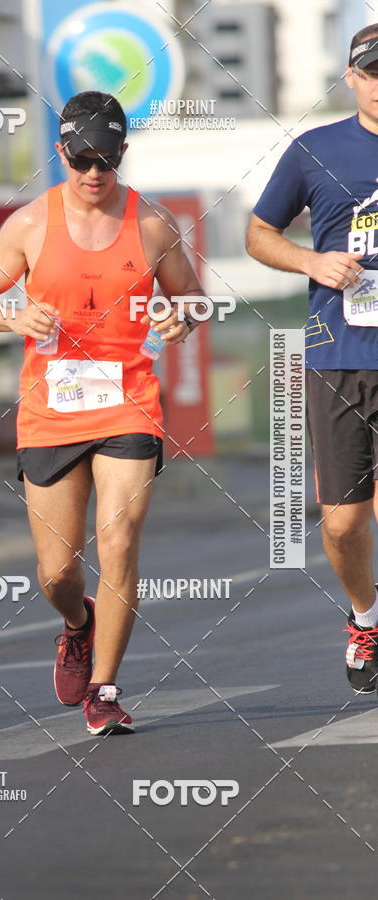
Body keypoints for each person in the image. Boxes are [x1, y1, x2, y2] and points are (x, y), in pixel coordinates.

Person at [0, 90, 203, 734]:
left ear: (122, 153)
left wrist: (181, 319)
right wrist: (12, 316)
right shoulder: (30, 225)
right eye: (83, 158)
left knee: (118, 542)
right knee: (57, 571)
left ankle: (105, 688)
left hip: (129, 405)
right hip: (51, 412)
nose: (95, 172)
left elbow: (192, 296)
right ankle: (77, 622)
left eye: (108, 158)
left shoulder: (152, 224)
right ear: (61, 152)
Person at [247, 25, 378, 694]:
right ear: (351, 78)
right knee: (343, 522)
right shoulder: (315, 150)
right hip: (340, 354)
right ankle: (366, 616)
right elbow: (258, 233)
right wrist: (312, 262)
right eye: (372, 72)